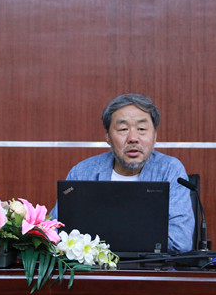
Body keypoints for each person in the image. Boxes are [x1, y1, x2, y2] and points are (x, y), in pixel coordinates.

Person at [50, 93, 195, 253]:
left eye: (141, 129)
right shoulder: (83, 171)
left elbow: (180, 241)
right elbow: (54, 232)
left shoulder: (170, 170)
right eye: (123, 129)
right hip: (93, 267)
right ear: (108, 137)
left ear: (154, 136)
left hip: (151, 268)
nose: (133, 138)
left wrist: (100, 244)